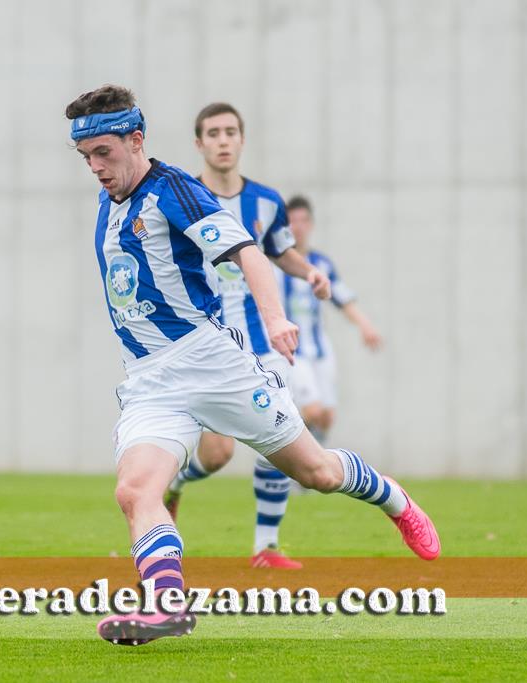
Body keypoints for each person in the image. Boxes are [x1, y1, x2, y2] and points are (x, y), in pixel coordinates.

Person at [66, 85, 439, 647]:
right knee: (134, 490)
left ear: (136, 140)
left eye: (103, 153)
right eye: (86, 157)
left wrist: (276, 318)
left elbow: (248, 253)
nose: (95, 167)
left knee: (317, 473)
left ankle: (393, 498)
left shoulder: (175, 191)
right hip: (149, 381)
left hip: (214, 364)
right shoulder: (110, 199)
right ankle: (167, 607)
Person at [163, 103, 328, 570]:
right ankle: (175, 484)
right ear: (199, 143)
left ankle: (266, 547)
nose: (222, 139)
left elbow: (280, 252)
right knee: (216, 456)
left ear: (241, 140)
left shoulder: (266, 202)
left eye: (230, 131)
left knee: (282, 432)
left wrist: (310, 272)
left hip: (263, 344)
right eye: (212, 132)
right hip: (209, 345)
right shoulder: (180, 197)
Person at [281, 195, 382, 442]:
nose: (299, 227)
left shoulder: (321, 264)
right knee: (312, 410)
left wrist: (365, 327)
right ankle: (297, 468)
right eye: (293, 221)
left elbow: (342, 299)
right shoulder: (276, 264)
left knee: (326, 417)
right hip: (293, 350)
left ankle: (303, 470)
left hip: (320, 348)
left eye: (304, 221)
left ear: (311, 225)